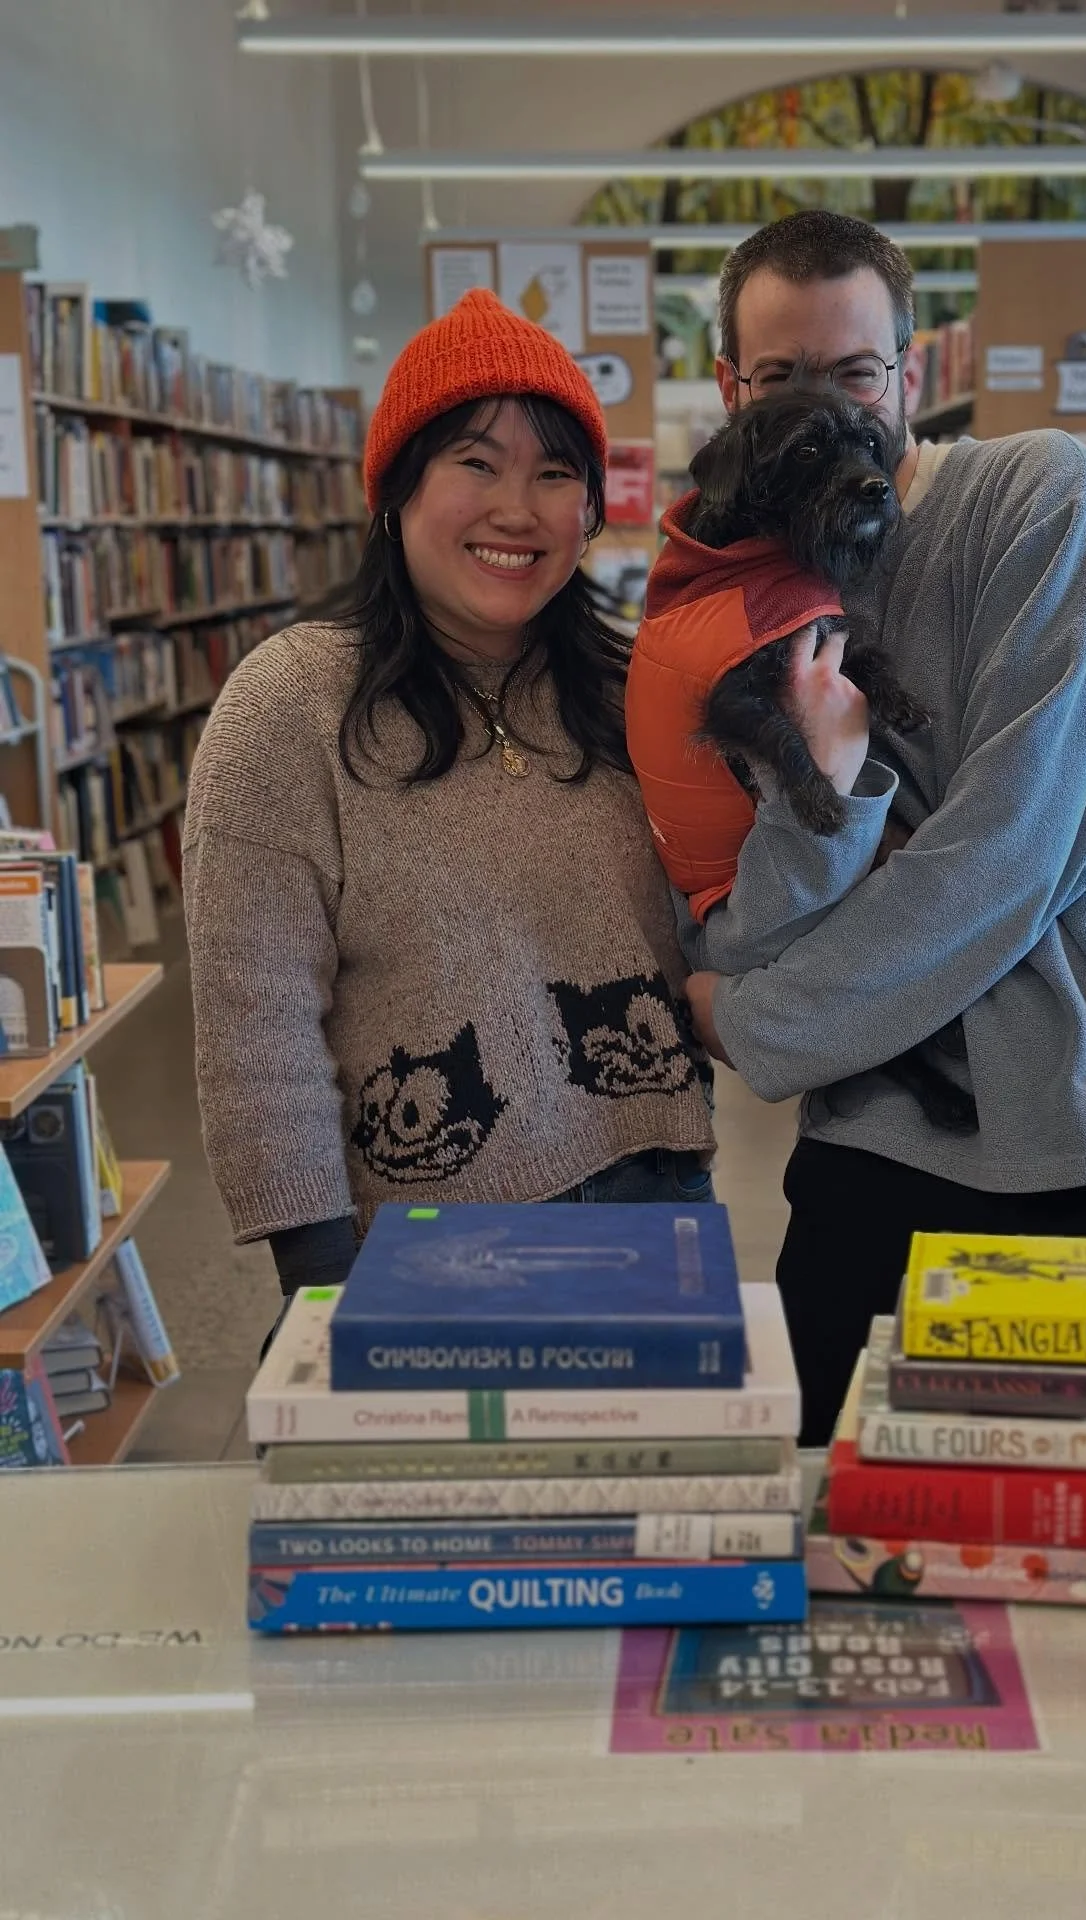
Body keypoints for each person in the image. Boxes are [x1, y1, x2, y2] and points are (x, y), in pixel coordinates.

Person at [677, 210, 1086, 1446]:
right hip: (886, 1132)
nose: (821, 411)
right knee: (831, 1526)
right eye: (778, 379)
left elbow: (1011, 856)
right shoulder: (745, 593)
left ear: (910, 374)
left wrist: (760, 1025)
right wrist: (822, 805)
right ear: (729, 388)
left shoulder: (1040, 495)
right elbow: (746, 926)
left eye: (854, 374)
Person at [184, 290, 716, 1308]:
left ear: (591, 513)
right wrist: (318, 1281)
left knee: (646, 1466)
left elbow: (724, 921)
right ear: (395, 491)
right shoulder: (289, 708)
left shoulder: (634, 693)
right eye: (477, 463)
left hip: (659, 1195)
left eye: (555, 475)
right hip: (422, 1236)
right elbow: (257, 1021)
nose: (518, 510)